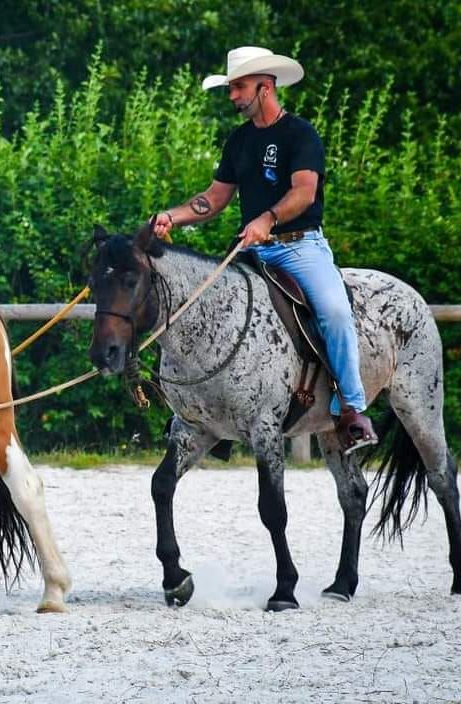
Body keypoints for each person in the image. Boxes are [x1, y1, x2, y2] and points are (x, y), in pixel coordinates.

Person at [150, 46, 376, 453]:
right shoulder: (238, 141)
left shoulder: (300, 134)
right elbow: (214, 199)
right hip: (251, 250)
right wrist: (172, 215)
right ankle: (203, 412)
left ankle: (352, 411)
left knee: (336, 312)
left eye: (238, 87)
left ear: (265, 87)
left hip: (299, 247)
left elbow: (304, 193)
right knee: (202, 309)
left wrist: (267, 218)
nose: (232, 95)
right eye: (231, 87)